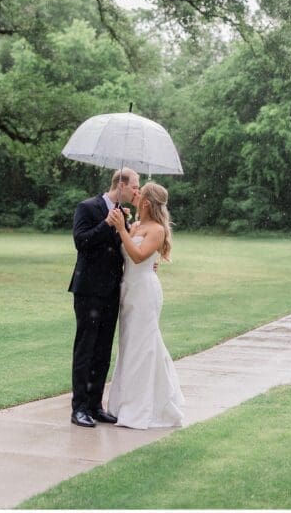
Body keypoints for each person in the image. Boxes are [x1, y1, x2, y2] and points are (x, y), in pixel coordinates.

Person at [106, 181, 185, 429]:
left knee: (144, 346)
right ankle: (123, 404)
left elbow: (138, 256)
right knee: (129, 346)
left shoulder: (157, 229)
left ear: (147, 203)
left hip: (145, 293)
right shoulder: (137, 225)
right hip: (128, 290)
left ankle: (145, 407)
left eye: (139, 194)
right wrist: (123, 227)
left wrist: (121, 230)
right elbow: (126, 254)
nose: (136, 195)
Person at [68, 167, 141, 427]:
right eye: (134, 185)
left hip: (112, 291)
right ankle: (79, 408)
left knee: (103, 351)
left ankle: (95, 405)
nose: (137, 190)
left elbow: (123, 249)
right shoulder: (87, 207)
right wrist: (106, 224)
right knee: (86, 349)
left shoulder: (123, 214)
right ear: (120, 184)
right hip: (88, 290)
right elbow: (81, 242)